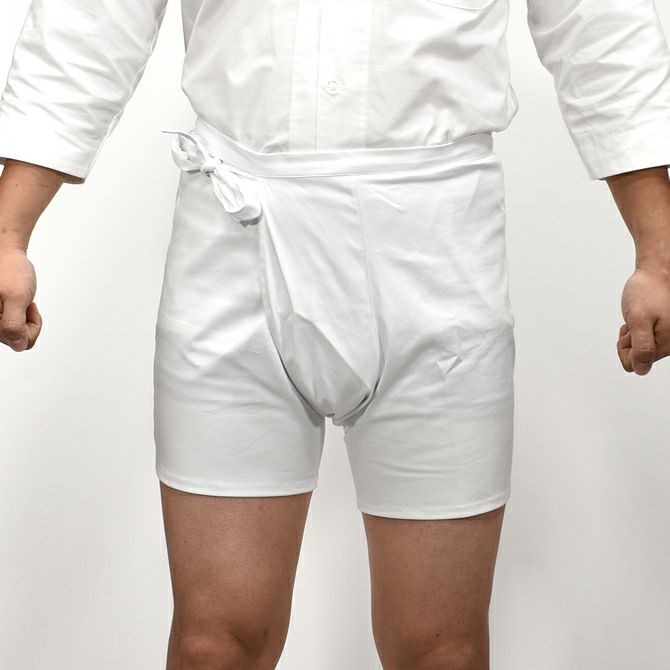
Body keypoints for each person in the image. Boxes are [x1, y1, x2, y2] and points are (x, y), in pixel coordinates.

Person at [1, 1, 669, 668]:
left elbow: (600, 22)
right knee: (214, 645)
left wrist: (658, 255)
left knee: (441, 652)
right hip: (234, 236)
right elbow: (89, 19)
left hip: (438, 252)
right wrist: (8, 234)